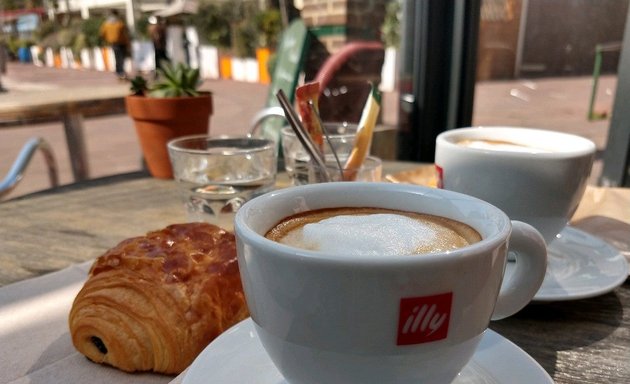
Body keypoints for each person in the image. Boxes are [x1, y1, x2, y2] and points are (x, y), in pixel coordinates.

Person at [100, 9, 130, 79]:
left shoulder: (106, 24)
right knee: (121, 58)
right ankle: (121, 72)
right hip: (122, 43)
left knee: (117, 57)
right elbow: (126, 32)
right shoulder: (120, 23)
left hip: (114, 43)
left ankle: (119, 72)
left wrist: (106, 40)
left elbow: (102, 34)